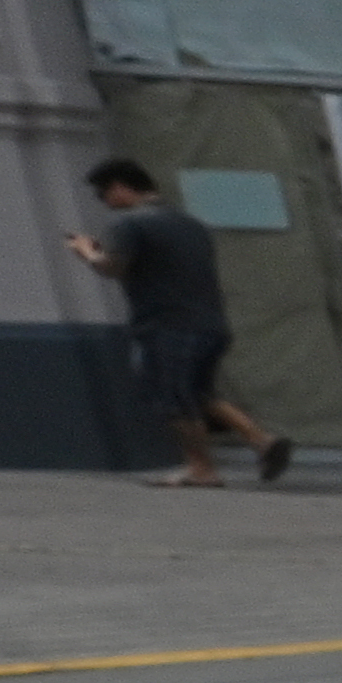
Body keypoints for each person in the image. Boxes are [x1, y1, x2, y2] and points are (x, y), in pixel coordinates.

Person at [66, 158, 284, 486]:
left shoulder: (130, 224)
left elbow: (112, 267)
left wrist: (87, 252)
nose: (104, 202)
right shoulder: (190, 223)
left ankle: (201, 468)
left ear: (121, 188)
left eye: (102, 194)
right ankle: (262, 441)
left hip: (166, 325)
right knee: (199, 393)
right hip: (211, 323)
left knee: (172, 397)